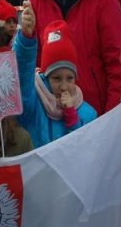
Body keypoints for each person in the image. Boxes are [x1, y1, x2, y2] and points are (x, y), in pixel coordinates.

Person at [17, 16, 97, 148]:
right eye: (56, 78)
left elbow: (85, 151)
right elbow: (22, 74)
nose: (64, 86)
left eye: (70, 78)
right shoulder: (34, 104)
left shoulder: (88, 114)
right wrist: (26, 40)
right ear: (46, 77)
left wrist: (71, 117)